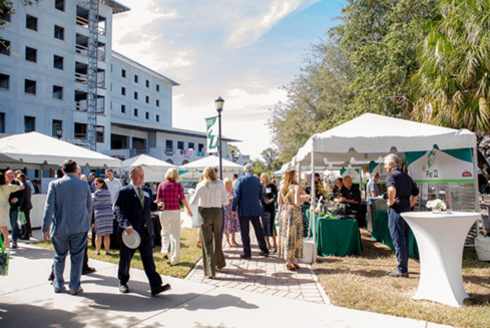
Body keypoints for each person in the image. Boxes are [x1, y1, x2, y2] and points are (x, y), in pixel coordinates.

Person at [114, 165, 171, 296]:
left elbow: (148, 206)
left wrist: (157, 206)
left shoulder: (146, 190)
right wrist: (125, 224)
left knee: (148, 259)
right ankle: (122, 281)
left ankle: (155, 285)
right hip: (131, 233)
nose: (141, 178)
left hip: (146, 232)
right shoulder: (124, 192)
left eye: (143, 175)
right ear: (131, 176)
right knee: (125, 259)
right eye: (139, 175)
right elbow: (117, 210)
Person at [42, 159, 92, 295]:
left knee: (59, 256)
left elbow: (49, 207)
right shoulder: (83, 184)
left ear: (62, 170)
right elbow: (89, 206)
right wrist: (87, 223)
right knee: (77, 257)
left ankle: (58, 284)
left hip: (60, 227)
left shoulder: (55, 184)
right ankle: (75, 286)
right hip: (79, 227)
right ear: (76, 170)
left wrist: (45, 227)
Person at [189, 167, 228, 278]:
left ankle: (210, 271)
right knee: (217, 239)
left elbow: (193, 202)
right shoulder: (220, 185)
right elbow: (225, 202)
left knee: (207, 242)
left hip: (205, 213)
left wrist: (193, 194)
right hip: (217, 212)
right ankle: (219, 263)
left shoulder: (201, 185)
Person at [384, 154, 419, 278]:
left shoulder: (391, 176)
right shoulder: (407, 177)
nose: (384, 166)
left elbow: (391, 189)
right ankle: (403, 265)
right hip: (406, 210)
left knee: (397, 239)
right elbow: (416, 193)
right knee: (404, 239)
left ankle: (402, 269)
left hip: (396, 211)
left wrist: (391, 201)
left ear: (392, 164)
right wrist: (409, 204)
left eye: (386, 163)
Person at [156, 167, 193, 265]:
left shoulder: (161, 185)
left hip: (164, 211)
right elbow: (183, 199)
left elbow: (158, 200)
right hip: (175, 210)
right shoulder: (178, 186)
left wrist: (160, 203)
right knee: (175, 235)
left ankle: (164, 250)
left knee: (164, 230)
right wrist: (188, 210)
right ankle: (174, 259)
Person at [232, 163, 269, 259]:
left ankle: (247, 252)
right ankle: (264, 249)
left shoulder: (240, 179)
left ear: (244, 171)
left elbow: (236, 195)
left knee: (245, 231)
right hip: (255, 207)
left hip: (243, 208)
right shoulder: (257, 180)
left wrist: (233, 208)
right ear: (252, 171)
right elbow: (260, 196)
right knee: (258, 229)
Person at [277, 169, 309, 270]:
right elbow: (297, 202)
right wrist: (305, 198)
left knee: (287, 235)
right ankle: (295, 260)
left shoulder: (282, 187)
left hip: (285, 211)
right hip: (295, 212)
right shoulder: (297, 186)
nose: (296, 176)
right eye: (295, 175)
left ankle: (288, 261)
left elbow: (279, 202)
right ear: (292, 176)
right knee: (296, 235)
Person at [0, 173, 24, 249]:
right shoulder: (8, 187)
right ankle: (6, 242)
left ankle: (5, 242)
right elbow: (22, 187)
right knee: (4, 226)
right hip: (5, 209)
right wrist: (20, 181)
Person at [92, 178, 113, 255]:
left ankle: (98, 251)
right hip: (108, 213)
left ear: (101, 183)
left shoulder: (97, 193)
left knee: (99, 234)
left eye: (96, 183)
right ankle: (107, 251)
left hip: (100, 213)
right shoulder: (108, 192)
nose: (95, 185)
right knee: (107, 234)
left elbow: (92, 203)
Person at [260, 173, 278, 253]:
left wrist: (272, 200)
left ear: (267, 178)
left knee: (271, 225)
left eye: (264, 177)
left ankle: (275, 245)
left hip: (270, 208)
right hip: (263, 208)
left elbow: (276, 195)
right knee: (264, 226)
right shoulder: (260, 187)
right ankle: (268, 244)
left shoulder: (272, 186)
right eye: (261, 177)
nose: (263, 179)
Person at [222, 178, 239, 247]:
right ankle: (227, 240)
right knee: (227, 224)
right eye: (227, 183)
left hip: (233, 208)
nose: (228, 184)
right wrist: (228, 198)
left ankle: (233, 239)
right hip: (226, 208)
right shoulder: (223, 191)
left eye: (229, 182)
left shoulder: (233, 190)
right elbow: (222, 199)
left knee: (233, 223)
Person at [18, 173, 33, 240]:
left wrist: (19, 205)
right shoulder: (27, 185)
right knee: (26, 220)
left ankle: (26, 234)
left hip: (24, 206)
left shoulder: (22, 185)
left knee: (24, 221)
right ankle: (26, 233)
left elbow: (22, 197)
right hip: (27, 205)